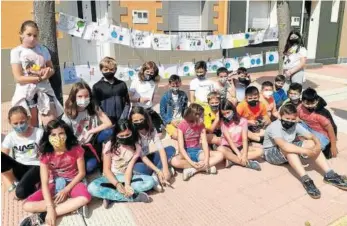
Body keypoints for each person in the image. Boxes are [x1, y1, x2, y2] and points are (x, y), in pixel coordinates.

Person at [263, 104, 347, 199]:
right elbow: (284, 146)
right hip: (271, 153)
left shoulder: (295, 125)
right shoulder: (275, 126)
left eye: (292, 119)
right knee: (290, 150)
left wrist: (317, 146)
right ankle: (306, 180)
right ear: (280, 116)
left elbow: (311, 136)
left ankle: (330, 174)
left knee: (311, 143)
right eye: (287, 118)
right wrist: (306, 151)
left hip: (286, 149)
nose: (290, 121)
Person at [21, 119, 91, 226]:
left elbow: (81, 173)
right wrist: (49, 206)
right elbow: (44, 182)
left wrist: (65, 190)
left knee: (85, 197)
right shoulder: (45, 154)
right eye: (53, 134)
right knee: (26, 205)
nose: (58, 137)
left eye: (61, 133)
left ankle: (42, 216)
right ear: (48, 137)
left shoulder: (76, 149)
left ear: (66, 133)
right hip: (54, 183)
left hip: (73, 182)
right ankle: (68, 208)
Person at [88, 119, 155, 208]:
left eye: (127, 135)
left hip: (127, 177)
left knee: (150, 182)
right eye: (121, 136)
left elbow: (129, 169)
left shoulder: (135, 146)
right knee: (92, 188)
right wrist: (117, 184)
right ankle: (134, 197)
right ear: (116, 135)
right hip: (111, 179)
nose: (124, 137)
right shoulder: (110, 146)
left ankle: (111, 196)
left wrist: (127, 185)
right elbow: (106, 170)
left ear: (132, 132)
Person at [10, 20, 63, 127]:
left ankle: (49, 143)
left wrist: (48, 73)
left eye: (35, 35)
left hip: (45, 90)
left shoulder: (43, 49)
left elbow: (51, 69)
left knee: (51, 123)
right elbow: (18, 78)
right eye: (29, 35)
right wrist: (39, 78)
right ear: (21, 34)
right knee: (31, 125)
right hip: (26, 93)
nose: (32, 38)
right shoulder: (16, 52)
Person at [62, 82, 113, 174]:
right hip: (78, 145)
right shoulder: (68, 114)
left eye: (86, 96)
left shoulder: (93, 107)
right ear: (74, 97)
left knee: (109, 132)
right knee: (89, 167)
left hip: (93, 139)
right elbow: (66, 136)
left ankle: (105, 155)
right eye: (80, 96)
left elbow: (108, 123)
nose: (84, 99)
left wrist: (90, 132)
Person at [170, 103, 224, 181]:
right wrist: (191, 162)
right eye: (202, 116)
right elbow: (181, 148)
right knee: (174, 161)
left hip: (198, 152)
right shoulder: (182, 125)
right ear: (195, 117)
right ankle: (206, 167)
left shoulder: (201, 125)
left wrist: (205, 159)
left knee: (220, 155)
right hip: (186, 153)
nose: (203, 118)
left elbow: (204, 143)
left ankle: (193, 170)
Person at [129, 106, 176, 192]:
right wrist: (159, 170)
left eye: (141, 119)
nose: (139, 122)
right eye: (135, 121)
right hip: (139, 161)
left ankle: (157, 175)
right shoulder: (132, 134)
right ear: (131, 122)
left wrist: (165, 169)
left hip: (148, 157)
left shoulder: (151, 129)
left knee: (170, 149)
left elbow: (161, 149)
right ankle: (157, 175)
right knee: (136, 169)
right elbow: (142, 156)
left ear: (146, 118)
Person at [1, 106, 43, 199]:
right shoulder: (10, 137)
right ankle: (20, 186)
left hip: (36, 167)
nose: (19, 126)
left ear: (28, 119)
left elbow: (47, 155)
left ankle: (29, 187)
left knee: (20, 193)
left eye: (22, 122)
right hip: (20, 168)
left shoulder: (39, 133)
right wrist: (10, 187)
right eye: (15, 123)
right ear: (10, 123)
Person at [217, 100, 263, 170]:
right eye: (224, 114)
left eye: (228, 112)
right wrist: (239, 154)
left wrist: (244, 155)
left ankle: (233, 160)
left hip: (240, 146)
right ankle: (245, 163)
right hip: (229, 147)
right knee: (220, 149)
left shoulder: (243, 121)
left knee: (260, 151)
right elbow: (229, 141)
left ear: (233, 110)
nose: (226, 115)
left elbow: (244, 139)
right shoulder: (223, 122)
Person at [297, 88, 338, 158]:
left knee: (315, 148)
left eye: (312, 103)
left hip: (322, 134)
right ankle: (302, 142)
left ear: (317, 100)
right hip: (308, 128)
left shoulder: (321, 114)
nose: (309, 106)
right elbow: (296, 117)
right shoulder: (300, 107)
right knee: (292, 123)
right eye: (307, 103)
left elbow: (331, 129)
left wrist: (333, 146)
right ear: (302, 101)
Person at [92, 57, 130, 125]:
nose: (108, 71)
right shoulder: (97, 86)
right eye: (106, 69)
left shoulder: (122, 84)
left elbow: (127, 103)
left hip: (121, 121)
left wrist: (123, 118)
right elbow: (96, 107)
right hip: (106, 123)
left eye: (111, 69)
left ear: (115, 70)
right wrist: (105, 120)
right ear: (101, 70)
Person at [129, 61, 164, 134]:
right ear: (143, 71)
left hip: (149, 109)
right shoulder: (136, 81)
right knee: (139, 132)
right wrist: (139, 99)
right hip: (137, 110)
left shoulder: (154, 82)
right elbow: (128, 98)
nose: (149, 74)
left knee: (159, 130)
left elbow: (152, 96)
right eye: (147, 71)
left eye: (151, 73)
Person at [159, 74, 188, 140]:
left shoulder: (183, 94)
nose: (175, 86)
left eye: (177, 84)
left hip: (181, 119)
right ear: (169, 85)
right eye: (173, 84)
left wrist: (184, 119)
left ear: (180, 83)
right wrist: (171, 121)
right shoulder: (165, 97)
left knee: (188, 134)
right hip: (170, 120)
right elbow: (162, 113)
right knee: (177, 136)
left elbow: (186, 108)